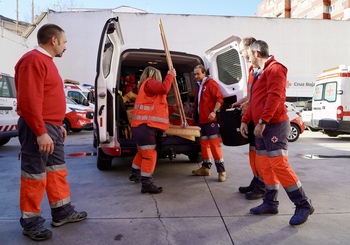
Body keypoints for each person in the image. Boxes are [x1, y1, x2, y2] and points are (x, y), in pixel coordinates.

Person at [14, 24, 87, 241]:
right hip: (39, 128)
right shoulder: (33, 61)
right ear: (53, 40)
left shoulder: (47, 62)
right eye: (64, 42)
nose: (65, 47)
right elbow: (29, 101)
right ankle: (31, 223)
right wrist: (40, 131)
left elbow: (47, 98)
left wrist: (58, 125)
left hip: (51, 127)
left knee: (56, 171)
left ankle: (62, 212)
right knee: (34, 175)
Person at [240, 40, 314, 226]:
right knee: (266, 166)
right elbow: (254, 100)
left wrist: (263, 121)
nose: (247, 58)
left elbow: (276, 97)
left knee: (279, 165)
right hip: (261, 126)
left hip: (273, 125)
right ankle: (270, 202)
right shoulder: (258, 73)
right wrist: (245, 120)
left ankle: (303, 204)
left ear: (256, 53)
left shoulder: (275, 69)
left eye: (248, 55)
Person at [128, 66, 176, 194]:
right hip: (145, 127)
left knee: (142, 153)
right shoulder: (150, 82)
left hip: (140, 126)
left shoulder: (145, 88)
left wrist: (173, 109)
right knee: (150, 155)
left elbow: (157, 109)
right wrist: (170, 75)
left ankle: (134, 174)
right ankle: (146, 184)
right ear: (155, 76)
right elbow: (164, 88)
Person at [232, 37, 265, 200]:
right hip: (252, 117)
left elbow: (260, 98)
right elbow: (252, 96)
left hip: (260, 120)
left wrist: (248, 106)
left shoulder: (261, 70)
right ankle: (256, 180)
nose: (240, 53)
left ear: (251, 49)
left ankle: (262, 186)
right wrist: (243, 101)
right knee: (253, 153)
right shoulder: (253, 71)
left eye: (242, 50)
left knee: (261, 155)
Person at [191, 64, 226, 182]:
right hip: (202, 121)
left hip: (211, 120)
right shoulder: (199, 86)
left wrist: (214, 112)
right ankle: (206, 168)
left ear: (204, 73)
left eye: (198, 74)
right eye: (194, 74)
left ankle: (221, 171)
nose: (196, 76)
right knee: (204, 144)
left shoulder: (210, 83)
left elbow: (219, 99)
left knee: (214, 145)